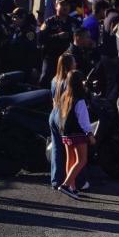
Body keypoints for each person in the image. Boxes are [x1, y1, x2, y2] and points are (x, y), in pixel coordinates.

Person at [56, 70, 94, 199]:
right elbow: (83, 119)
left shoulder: (64, 96)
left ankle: (72, 188)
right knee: (81, 160)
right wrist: (89, 133)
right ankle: (66, 185)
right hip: (78, 134)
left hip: (65, 133)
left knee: (70, 160)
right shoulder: (80, 99)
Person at [48, 52, 76, 190]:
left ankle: (56, 180)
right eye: (73, 62)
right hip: (63, 116)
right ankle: (72, 181)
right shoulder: (69, 81)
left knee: (57, 149)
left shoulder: (55, 79)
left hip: (53, 114)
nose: (75, 64)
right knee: (72, 150)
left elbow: (53, 100)